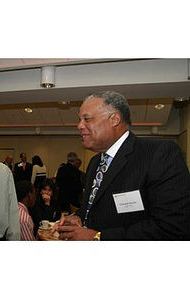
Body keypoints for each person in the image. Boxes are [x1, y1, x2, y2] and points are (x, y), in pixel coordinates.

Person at [53, 91, 190, 241]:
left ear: (114, 119)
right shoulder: (94, 163)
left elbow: (174, 226)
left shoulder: (159, 153)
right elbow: (94, 207)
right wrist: (79, 218)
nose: (79, 126)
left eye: (87, 119)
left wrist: (98, 237)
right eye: (80, 120)